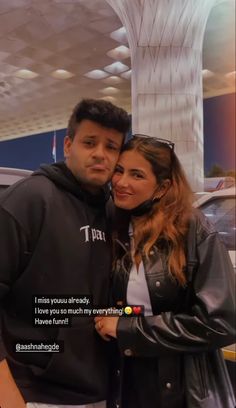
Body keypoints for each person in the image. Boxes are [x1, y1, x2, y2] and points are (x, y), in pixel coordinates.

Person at [0, 99, 130, 408]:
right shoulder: (28, 201)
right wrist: (6, 394)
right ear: (68, 145)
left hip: (101, 390)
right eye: (89, 142)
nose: (100, 153)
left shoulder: (115, 213)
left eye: (111, 147)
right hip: (34, 391)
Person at [94, 135, 236, 408]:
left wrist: (127, 329)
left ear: (162, 187)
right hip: (127, 380)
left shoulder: (192, 228)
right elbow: (139, 305)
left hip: (184, 388)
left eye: (137, 175)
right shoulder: (116, 225)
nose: (122, 182)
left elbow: (221, 322)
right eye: (119, 171)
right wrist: (119, 315)